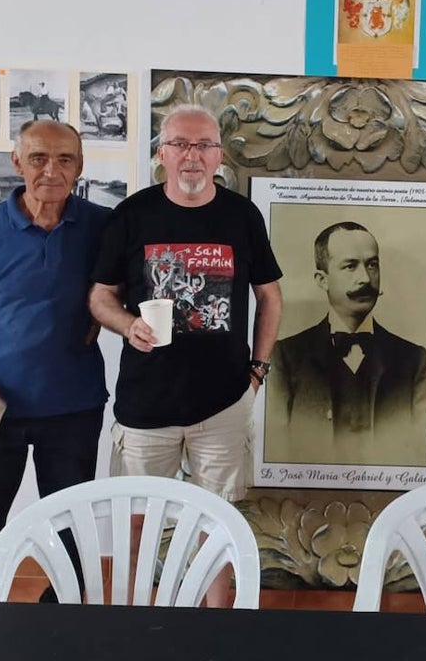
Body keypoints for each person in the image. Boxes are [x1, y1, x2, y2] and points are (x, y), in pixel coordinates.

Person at [88, 105, 282, 608]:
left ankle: (212, 634)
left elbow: (272, 296)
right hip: (144, 404)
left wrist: (257, 372)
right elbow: (99, 297)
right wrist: (126, 323)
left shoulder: (242, 216)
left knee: (216, 526)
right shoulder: (132, 214)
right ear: (161, 154)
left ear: (219, 155)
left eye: (203, 146)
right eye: (179, 144)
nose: (191, 156)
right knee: (134, 523)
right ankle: (130, 631)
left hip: (222, 403)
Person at [0, 120, 110, 601]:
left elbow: (123, 288)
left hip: (73, 407)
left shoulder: (102, 227)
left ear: (79, 167)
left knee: (73, 530)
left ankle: (64, 627)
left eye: (65, 159)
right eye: (38, 158)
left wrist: (102, 311)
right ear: (17, 162)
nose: (51, 170)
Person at [265, 222, 426, 466]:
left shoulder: (412, 359)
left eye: (372, 265)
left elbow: (423, 450)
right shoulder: (286, 357)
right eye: (350, 266)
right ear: (323, 280)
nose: (365, 278)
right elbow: (273, 449)